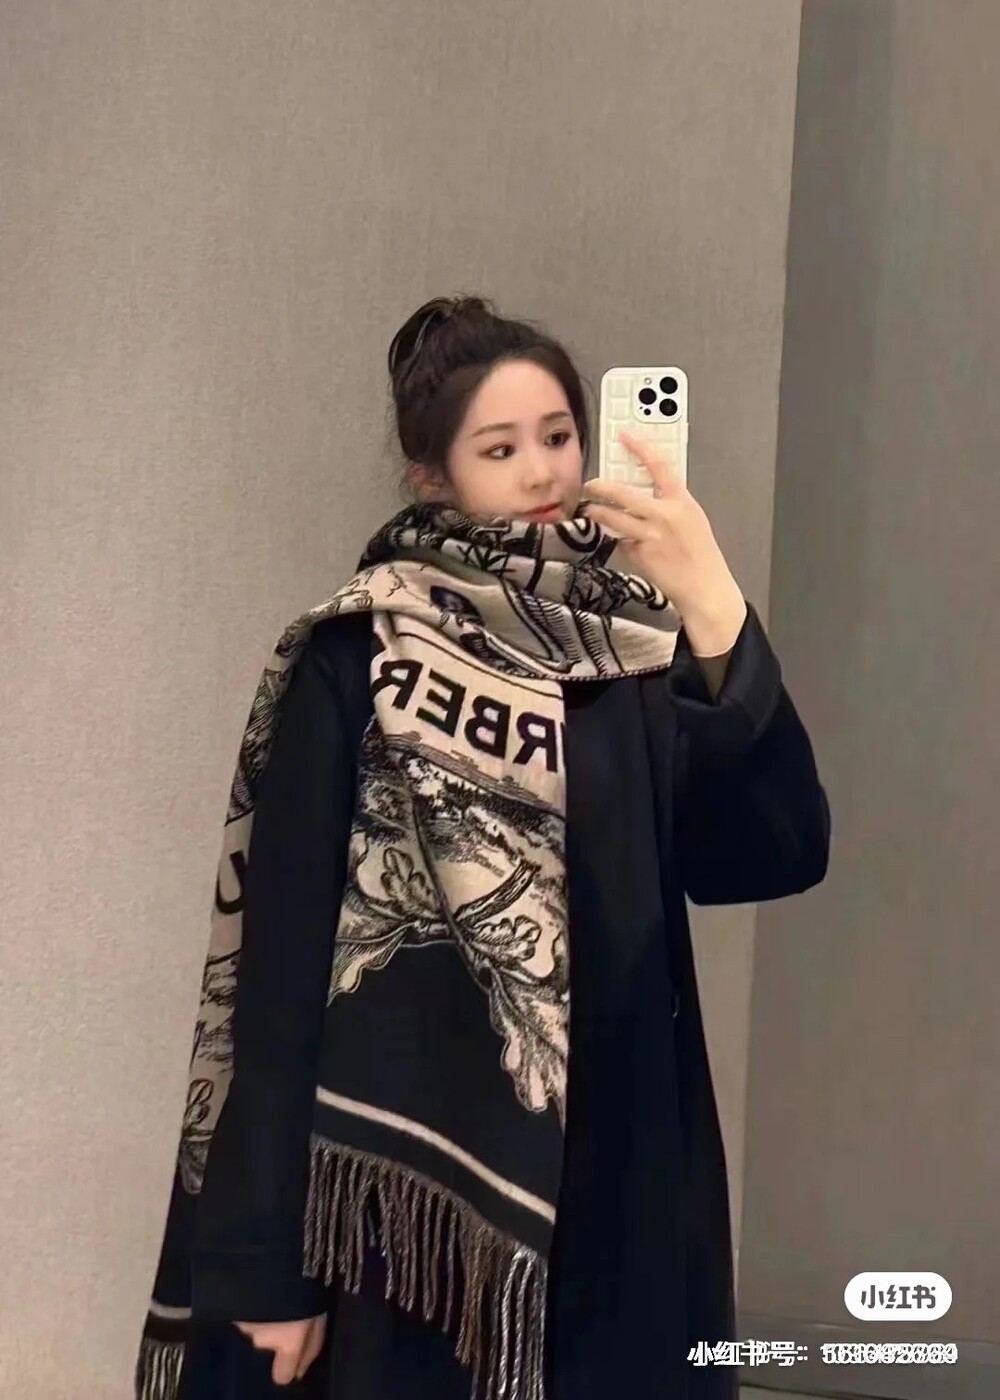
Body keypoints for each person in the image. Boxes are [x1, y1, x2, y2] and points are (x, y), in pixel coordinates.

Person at [137, 294, 831, 1400]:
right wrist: (266, 1262)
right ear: (433, 475)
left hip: (620, 1174)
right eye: (499, 449)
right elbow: (281, 968)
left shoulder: (632, 649)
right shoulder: (358, 651)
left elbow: (775, 852)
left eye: (558, 435)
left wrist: (711, 603)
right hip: (411, 1199)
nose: (543, 471)